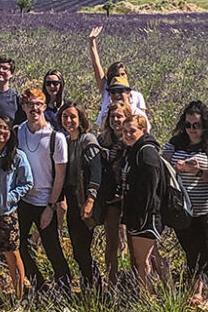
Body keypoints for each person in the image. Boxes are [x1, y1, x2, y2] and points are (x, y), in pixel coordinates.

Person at [162, 101, 208, 305]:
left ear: (205, 125)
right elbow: (163, 166)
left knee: (206, 248)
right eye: (188, 125)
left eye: (196, 125)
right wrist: (175, 166)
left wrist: (197, 171)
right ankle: (196, 289)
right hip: (181, 207)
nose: (192, 130)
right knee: (190, 248)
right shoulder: (175, 143)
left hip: (204, 207)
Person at [16, 87, 71, 296]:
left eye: (38, 104)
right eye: (29, 104)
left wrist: (51, 205)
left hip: (44, 200)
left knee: (51, 247)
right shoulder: (17, 132)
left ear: (44, 106)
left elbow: (60, 175)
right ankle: (38, 284)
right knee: (18, 244)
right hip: (23, 200)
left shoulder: (56, 137)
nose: (34, 108)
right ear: (23, 107)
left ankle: (65, 288)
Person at [0, 116, 32, 300]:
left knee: (12, 253)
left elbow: (27, 182)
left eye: (5, 128)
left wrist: (11, 198)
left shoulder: (17, 156)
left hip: (6, 212)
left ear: (10, 132)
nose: (0, 132)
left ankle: (19, 297)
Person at [58, 102, 102, 290]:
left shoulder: (88, 140)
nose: (69, 120)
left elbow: (96, 171)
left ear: (81, 118)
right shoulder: (66, 141)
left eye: (73, 117)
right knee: (78, 249)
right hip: (72, 201)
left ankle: (95, 287)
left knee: (82, 248)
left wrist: (91, 199)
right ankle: (89, 286)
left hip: (85, 201)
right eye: (65, 116)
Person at [120, 114, 166, 289]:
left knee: (142, 261)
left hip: (146, 215)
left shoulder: (146, 152)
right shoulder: (134, 151)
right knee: (153, 256)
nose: (128, 135)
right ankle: (170, 294)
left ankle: (145, 300)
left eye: (132, 131)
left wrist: (140, 213)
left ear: (143, 130)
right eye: (125, 131)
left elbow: (150, 188)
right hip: (137, 213)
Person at [97, 101, 131, 284]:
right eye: (112, 116)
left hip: (130, 197)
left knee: (132, 244)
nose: (116, 120)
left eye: (119, 116)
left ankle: (133, 282)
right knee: (112, 242)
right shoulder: (102, 140)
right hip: (110, 199)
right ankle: (112, 281)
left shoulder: (133, 139)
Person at [88, 27, 147, 127]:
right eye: (116, 75)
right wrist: (91, 41)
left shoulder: (137, 96)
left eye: (122, 74)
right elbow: (96, 65)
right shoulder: (106, 91)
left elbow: (142, 122)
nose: (120, 77)